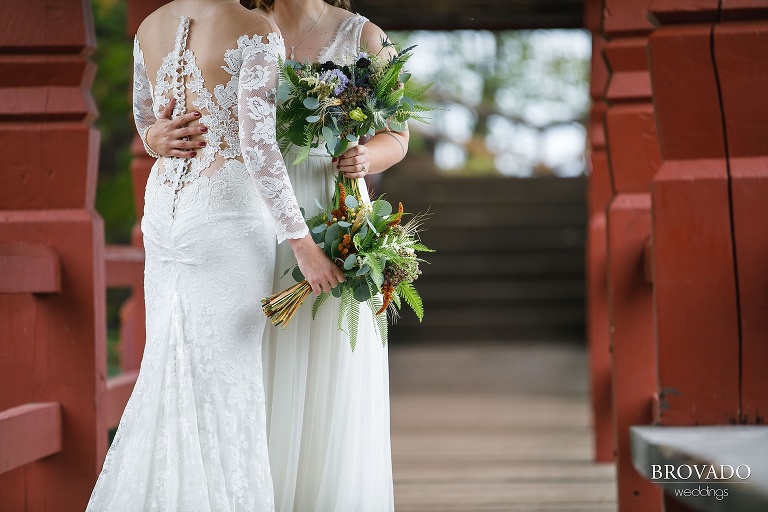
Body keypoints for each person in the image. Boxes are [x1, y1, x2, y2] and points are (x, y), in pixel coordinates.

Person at [148, 2, 409, 510]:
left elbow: (398, 134)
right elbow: (187, 102)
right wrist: (156, 137)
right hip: (241, 216)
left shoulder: (366, 37)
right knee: (248, 359)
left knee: (332, 359)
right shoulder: (236, 24)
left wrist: (365, 156)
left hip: (327, 209)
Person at [86, 1, 343, 510]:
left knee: (166, 367)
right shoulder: (255, 30)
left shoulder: (149, 26)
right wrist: (303, 243)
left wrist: (155, 140)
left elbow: (145, 124)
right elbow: (259, 147)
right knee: (225, 379)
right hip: (225, 215)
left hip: (163, 214)